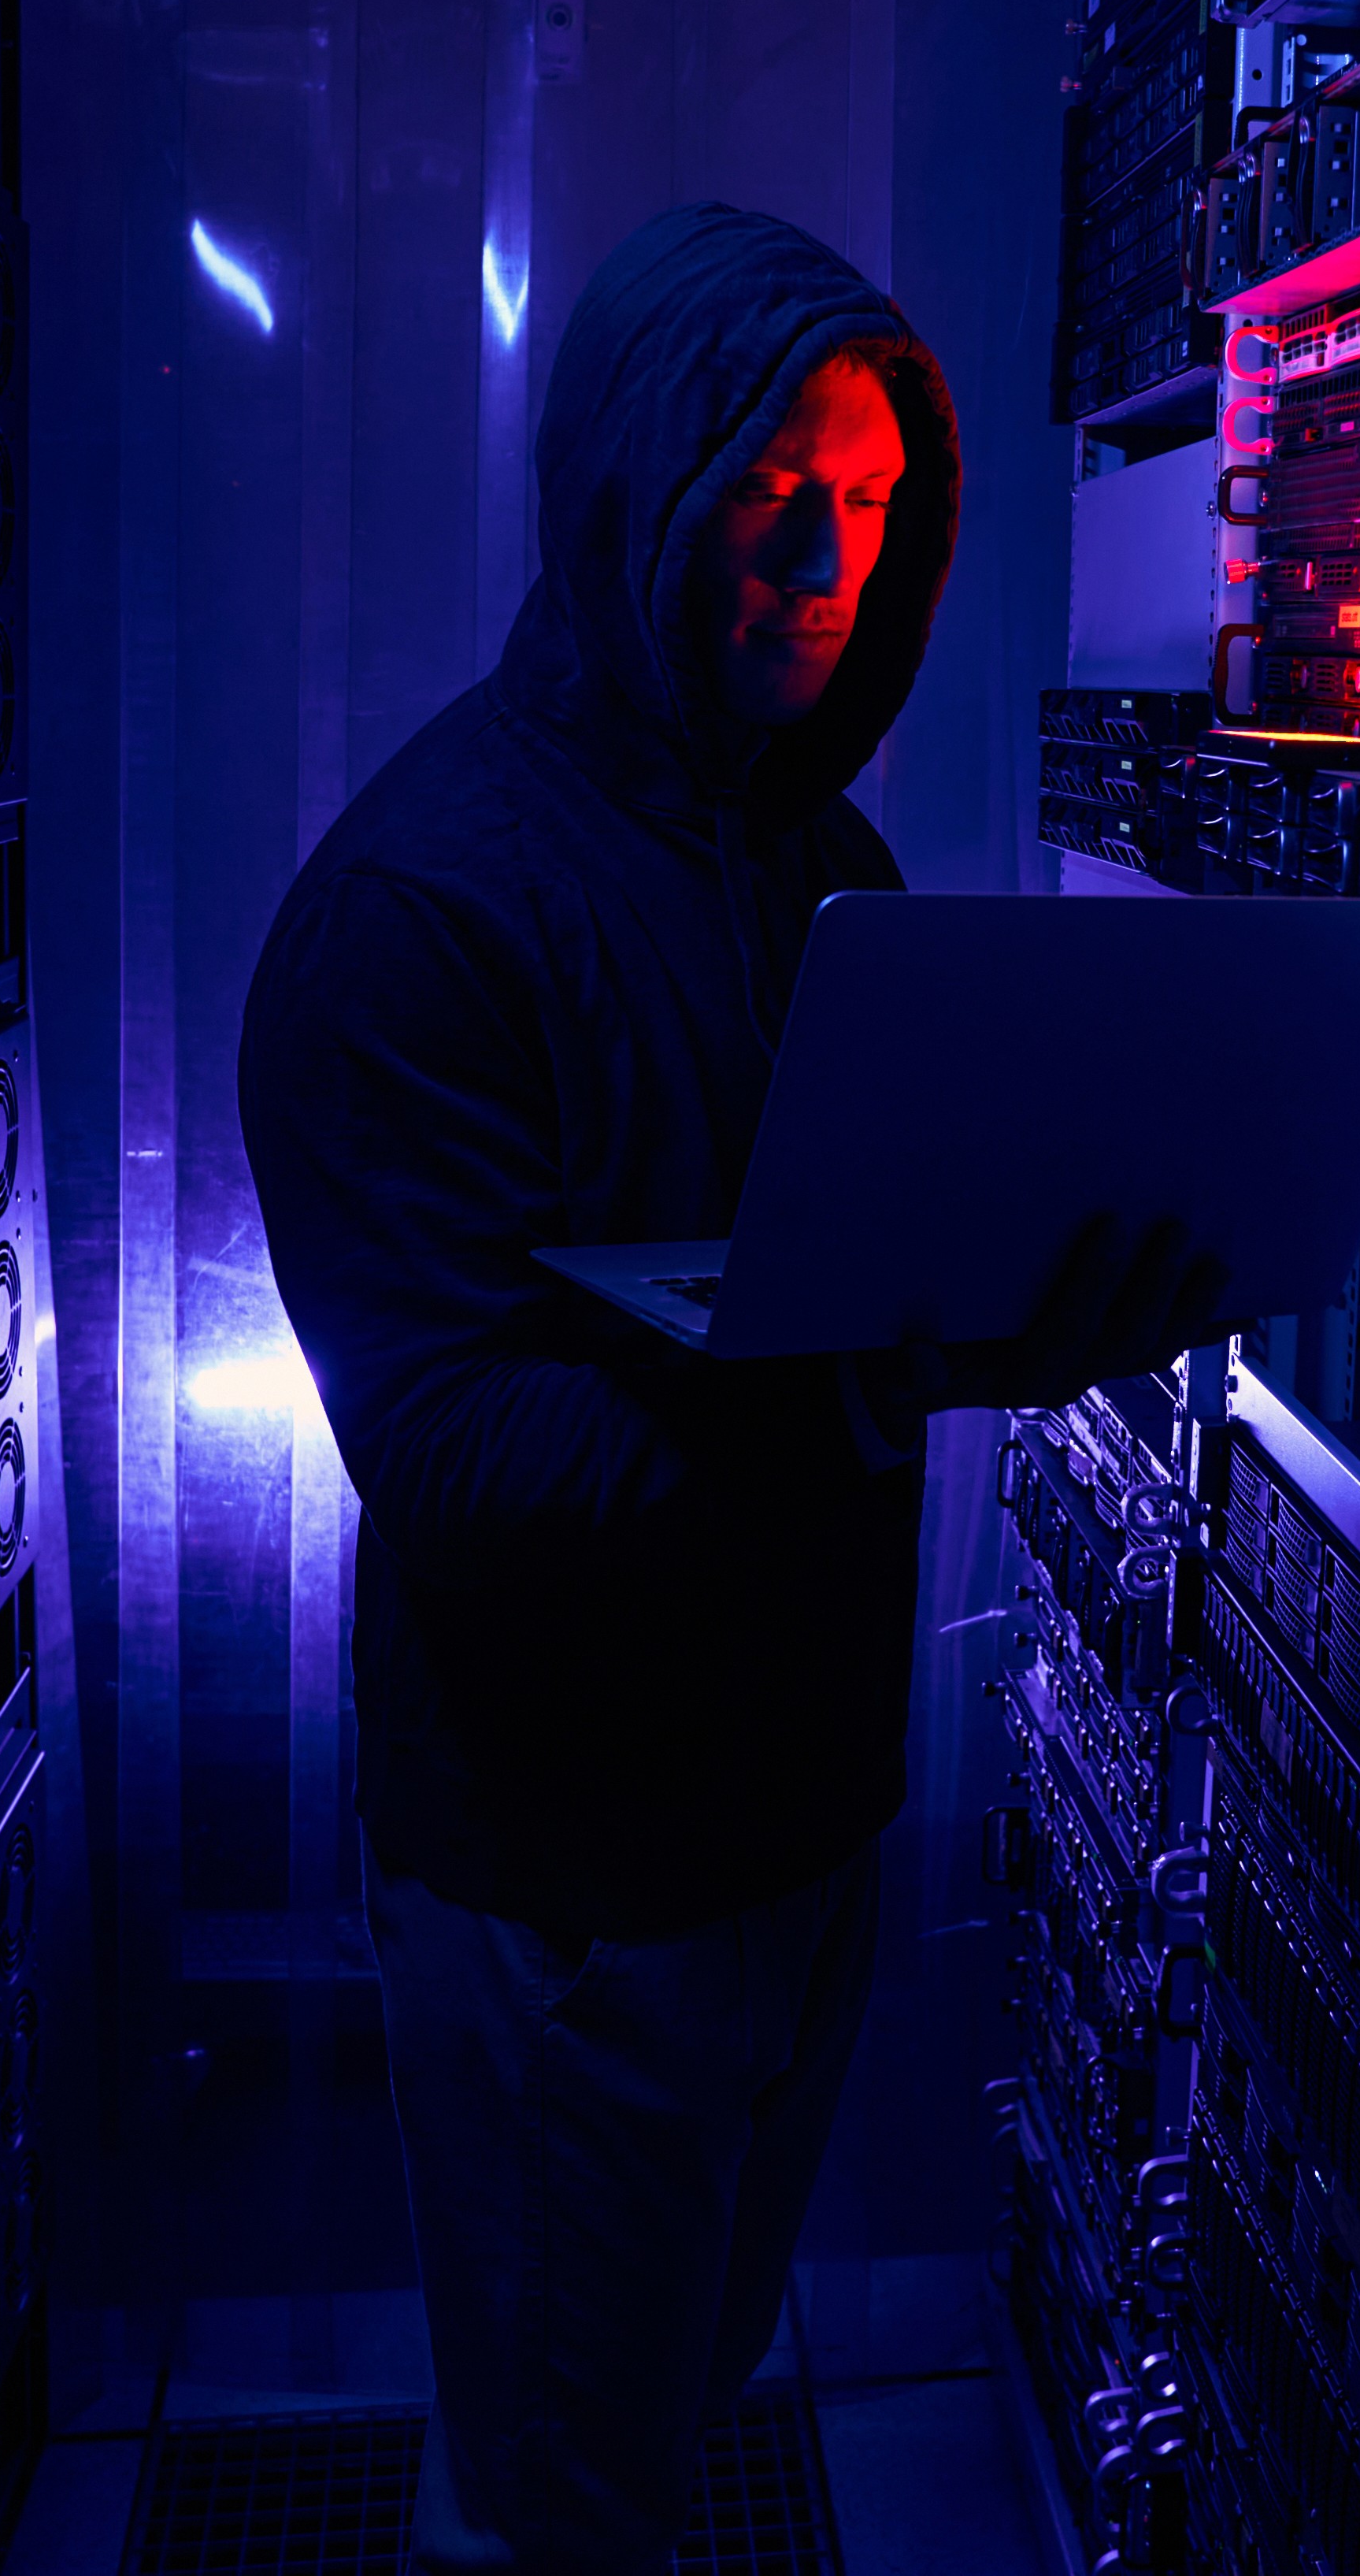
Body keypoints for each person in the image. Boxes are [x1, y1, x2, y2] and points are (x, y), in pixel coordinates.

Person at [237, 203, 1223, 2567]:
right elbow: (459, 1453)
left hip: (791, 1823)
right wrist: (877, 1380)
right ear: (634, 484)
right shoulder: (419, 914)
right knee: (558, 2501)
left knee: (651, 2410)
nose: (826, 555)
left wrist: (1028, 1292)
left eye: (871, 499)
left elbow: (837, 1301)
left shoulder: (813, 855)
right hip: (572, 1884)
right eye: (773, 485)